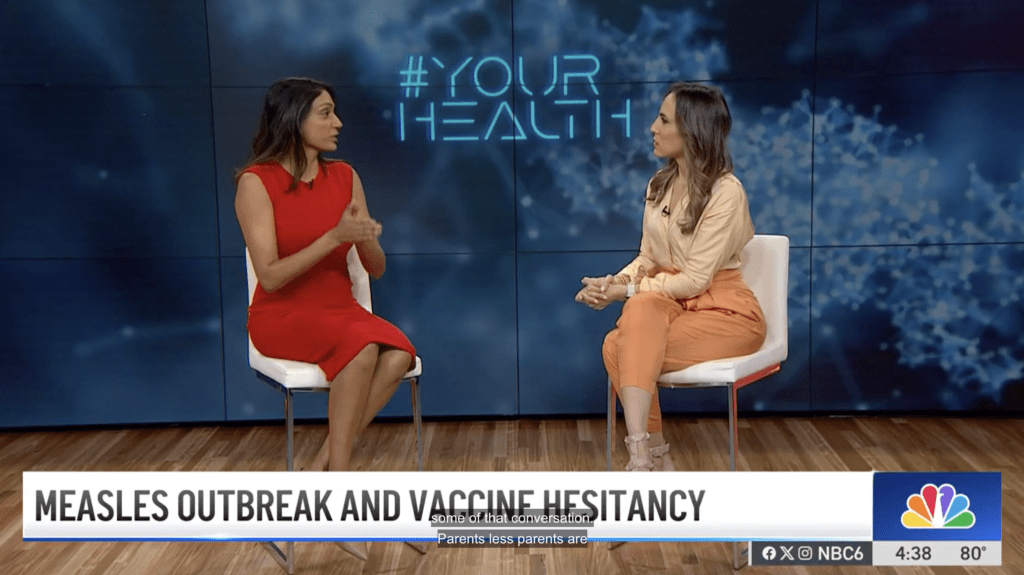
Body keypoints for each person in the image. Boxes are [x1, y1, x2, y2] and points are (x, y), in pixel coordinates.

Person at [575, 82, 766, 472]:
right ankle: (645, 454)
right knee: (638, 312)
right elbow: (648, 257)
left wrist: (626, 291)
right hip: (670, 305)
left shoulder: (727, 193)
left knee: (618, 345)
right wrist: (613, 283)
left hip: (725, 313)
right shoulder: (658, 184)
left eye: (663, 120)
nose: (652, 128)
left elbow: (695, 280)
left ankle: (652, 457)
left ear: (692, 130)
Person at [235, 77, 416, 476]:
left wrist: (363, 238)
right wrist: (334, 237)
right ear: (294, 119)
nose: (338, 123)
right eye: (326, 113)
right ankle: (341, 479)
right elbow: (270, 278)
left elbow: (377, 268)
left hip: (340, 310)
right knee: (362, 346)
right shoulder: (256, 183)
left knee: (400, 354)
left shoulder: (346, 176)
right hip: (281, 314)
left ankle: (322, 466)